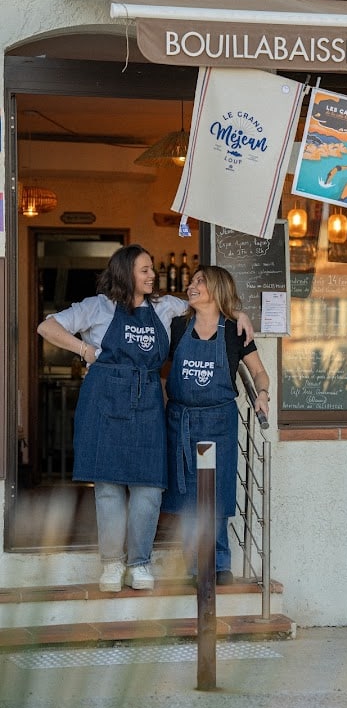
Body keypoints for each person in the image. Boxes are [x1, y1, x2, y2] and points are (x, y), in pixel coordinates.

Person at [36, 244, 253, 593]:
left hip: (148, 404)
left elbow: (210, 305)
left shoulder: (165, 307)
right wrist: (85, 350)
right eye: (145, 270)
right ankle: (112, 563)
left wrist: (239, 314)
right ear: (126, 274)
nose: (153, 275)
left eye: (152, 269)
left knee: (149, 489)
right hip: (104, 402)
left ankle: (139, 563)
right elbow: (47, 327)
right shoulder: (97, 306)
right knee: (108, 488)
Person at [161, 265, 270, 585]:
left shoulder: (235, 330)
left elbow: (259, 372)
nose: (191, 285)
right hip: (181, 420)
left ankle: (220, 564)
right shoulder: (178, 326)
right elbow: (164, 372)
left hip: (219, 421)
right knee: (187, 494)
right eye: (192, 280)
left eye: (200, 281)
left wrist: (263, 394)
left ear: (216, 289)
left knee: (218, 492)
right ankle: (192, 566)